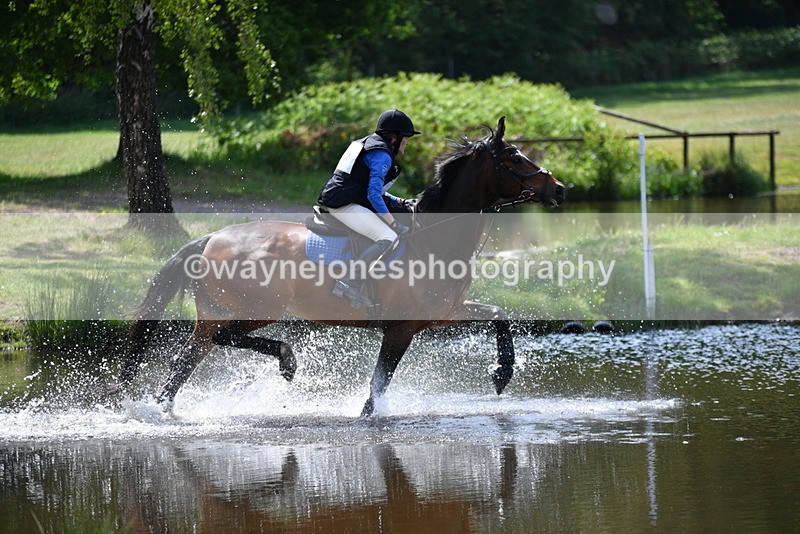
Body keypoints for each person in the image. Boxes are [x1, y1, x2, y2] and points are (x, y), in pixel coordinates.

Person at [317, 109, 420, 307]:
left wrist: (399, 201)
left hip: (344, 197)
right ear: (393, 138)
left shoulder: (368, 144)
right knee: (389, 238)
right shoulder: (382, 155)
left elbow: (368, 188)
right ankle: (349, 283)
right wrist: (394, 223)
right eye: (405, 139)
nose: (407, 144)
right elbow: (373, 194)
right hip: (344, 204)